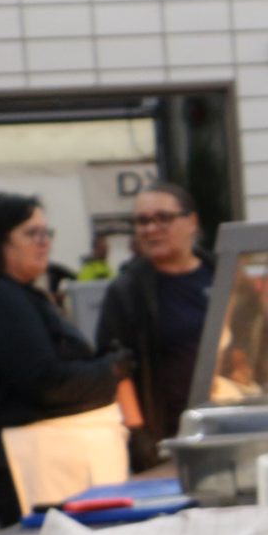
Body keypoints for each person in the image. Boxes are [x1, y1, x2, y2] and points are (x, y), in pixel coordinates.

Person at [0, 194, 131, 528]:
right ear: (2, 241)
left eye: (46, 233)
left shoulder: (22, 295)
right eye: (31, 233)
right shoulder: (6, 298)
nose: (44, 243)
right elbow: (45, 382)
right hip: (39, 463)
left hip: (56, 458)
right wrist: (110, 371)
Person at [95, 181, 213, 469]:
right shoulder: (126, 291)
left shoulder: (220, 274)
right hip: (165, 439)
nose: (151, 229)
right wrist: (139, 437)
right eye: (142, 221)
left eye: (163, 218)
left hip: (223, 424)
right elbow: (115, 368)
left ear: (192, 222)